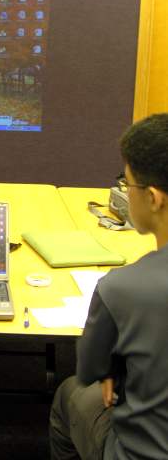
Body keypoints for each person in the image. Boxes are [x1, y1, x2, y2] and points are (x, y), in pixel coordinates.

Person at [49, 113, 168, 460]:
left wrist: (113, 367)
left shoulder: (120, 288)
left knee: (70, 394)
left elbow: (90, 371)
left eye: (126, 184)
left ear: (154, 198)